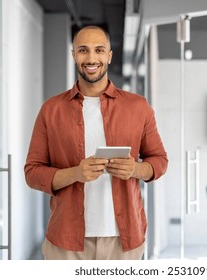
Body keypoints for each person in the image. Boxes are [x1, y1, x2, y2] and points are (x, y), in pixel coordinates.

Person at [24, 25, 168, 260]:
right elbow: (32, 172)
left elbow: (159, 161)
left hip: (124, 240)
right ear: (74, 55)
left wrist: (135, 169)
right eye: (83, 50)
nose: (91, 58)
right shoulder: (51, 109)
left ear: (109, 56)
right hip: (66, 243)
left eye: (99, 50)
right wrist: (75, 173)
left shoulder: (138, 107)